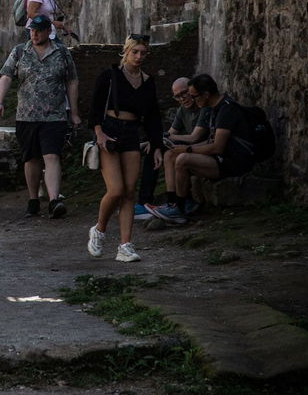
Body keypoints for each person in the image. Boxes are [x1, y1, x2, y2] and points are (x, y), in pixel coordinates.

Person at [0, 14, 81, 218]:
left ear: (48, 31)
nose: (34, 34)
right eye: (32, 30)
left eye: (38, 30)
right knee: (31, 158)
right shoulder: (20, 52)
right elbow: (6, 76)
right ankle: (33, 199)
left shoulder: (61, 53)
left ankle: (53, 200)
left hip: (55, 115)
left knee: (52, 155)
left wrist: (74, 113)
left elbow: (72, 82)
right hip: (27, 115)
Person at [86, 35, 165, 263]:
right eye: (135, 52)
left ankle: (125, 246)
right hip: (110, 131)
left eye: (143, 53)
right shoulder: (110, 76)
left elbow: (152, 117)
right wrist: (99, 134)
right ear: (126, 52)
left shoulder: (147, 81)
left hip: (132, 132)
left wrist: (157, 145)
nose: (139, 57)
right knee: (116, 189)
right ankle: (99, 230)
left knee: (130, 192)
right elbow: (95, 108)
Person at [155, 74, 255, 224]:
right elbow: (209, 140)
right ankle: (177, 204)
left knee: (183, 159)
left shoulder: (227, 110)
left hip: (234, 162)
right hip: (222, 159)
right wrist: (184, 148)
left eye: (194, 96)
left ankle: (180, 208)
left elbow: (217, 147)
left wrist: (188, 150)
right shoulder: (215, 108)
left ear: (206, 95)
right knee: (176, 155)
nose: (192, 99)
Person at [143, 78, 211, 221]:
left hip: (204, 149)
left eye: (184, 93)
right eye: (177, 96)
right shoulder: (182, 110)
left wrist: (164, 137)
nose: (182, 98)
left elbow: (194, 137)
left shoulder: (203, 106)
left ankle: (176, 203)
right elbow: (170, 133)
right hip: (191, 148)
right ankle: (171, 201)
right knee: (165, 153)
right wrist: (155, 142)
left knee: (172, 155)